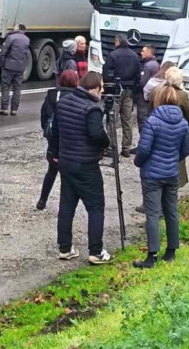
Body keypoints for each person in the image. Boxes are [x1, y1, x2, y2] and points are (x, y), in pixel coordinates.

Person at [54, 71, 113, 264]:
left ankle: (65, 248)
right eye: (101, 88)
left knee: (66, 205)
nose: (102, 92)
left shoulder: (63, 103)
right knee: (95, 207)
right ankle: (96, 251)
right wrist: (107, 142)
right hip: (86, 164)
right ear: (94, 88)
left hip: (66, 161)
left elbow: (55, 130)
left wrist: (55, 152)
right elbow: (97, 134)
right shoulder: (92, 109)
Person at [132, 84, 189, 269]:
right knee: (171, 211)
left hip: (152, 174)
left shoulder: (152, 121)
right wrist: (172, 160)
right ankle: (171, 251)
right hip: (172, 173)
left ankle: (152, 255)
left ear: (157, 99)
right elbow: (186, 149)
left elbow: (144, 149)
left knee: (152, 213)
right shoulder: (183, 123)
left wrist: (139, 162)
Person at [37, 69, 79, 210]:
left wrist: (47, 129)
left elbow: (43, 115)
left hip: (53, 138)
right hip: (70, 139)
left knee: (52, 170)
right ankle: (65, 206)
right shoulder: (77, 97)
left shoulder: (51, 95)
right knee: (68, 175)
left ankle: (42, 200)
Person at [102, 34, 141, 158]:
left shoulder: (113, 55)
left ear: (117, 41)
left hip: (115, 91)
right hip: (129, 91)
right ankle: (126, 148)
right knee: (127, 121)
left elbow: (106, 74)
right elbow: (138, 76)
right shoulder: (135, 56)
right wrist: (133, 88)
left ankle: (110, 148)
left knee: (112, 120)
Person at [0, 24, 31, 116]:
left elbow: (3, 52)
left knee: (6, 87)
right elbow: (26, 54)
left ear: (17, 28)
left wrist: (2, 64)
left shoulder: (11, 37)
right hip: (20, 68)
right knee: (17, 88)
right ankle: (14, 110)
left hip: (9, 67)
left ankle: (4, 108)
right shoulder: (27, 39)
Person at [134, 45, 161, 136]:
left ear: (149, 53)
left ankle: (143, 142)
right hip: (153, 98)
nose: (141, 53)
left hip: (143, 98)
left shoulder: (147, 66)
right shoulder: (157, 64)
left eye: (143, 51)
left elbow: (142, 83)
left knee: (142, 121)